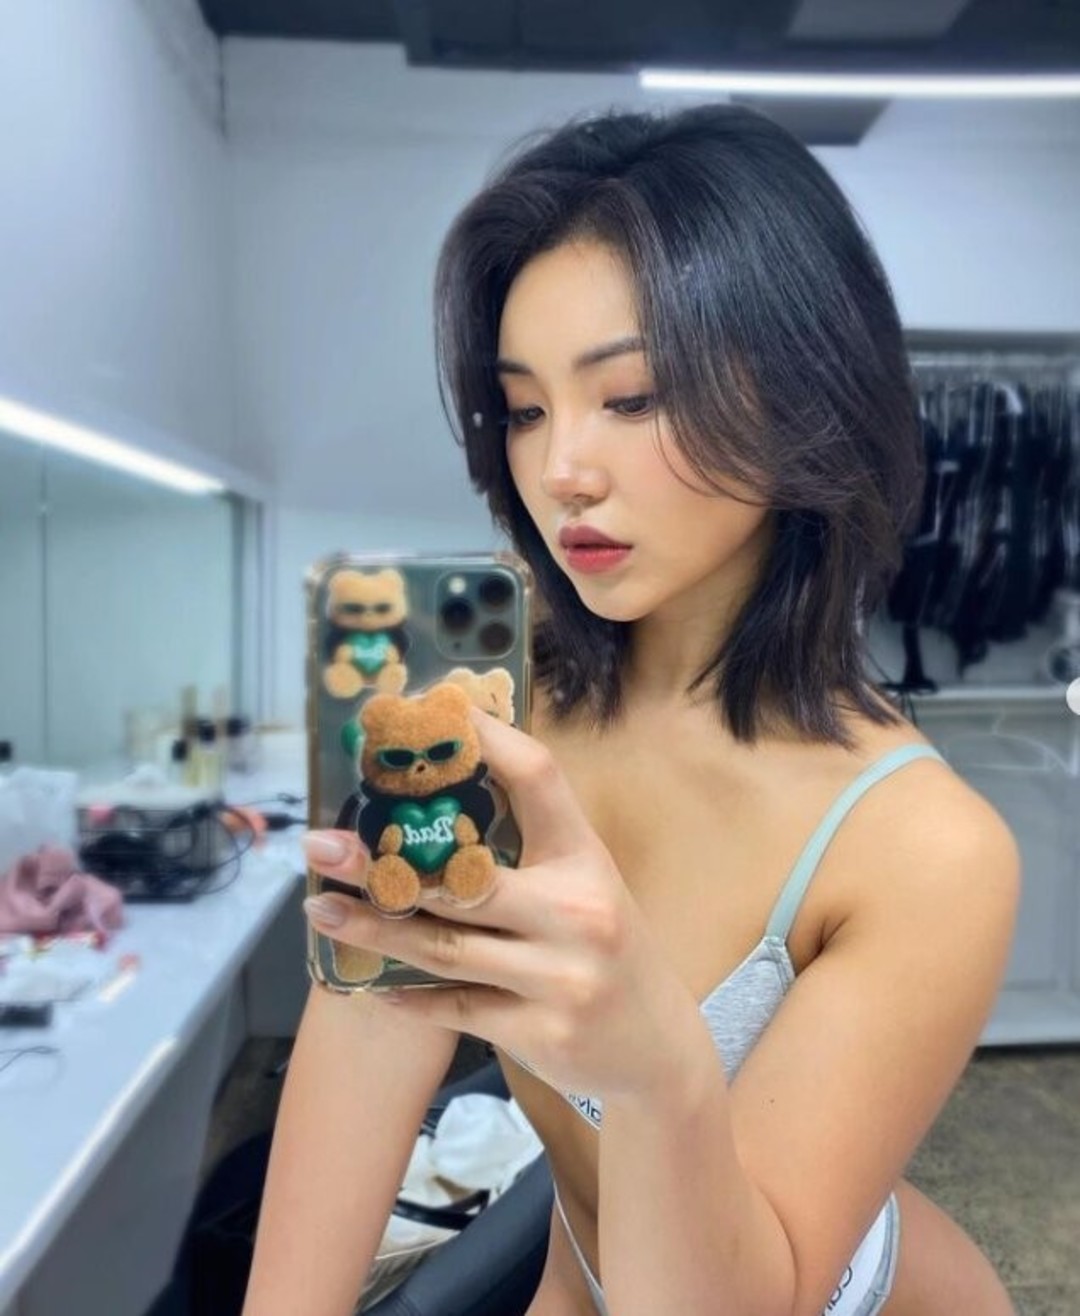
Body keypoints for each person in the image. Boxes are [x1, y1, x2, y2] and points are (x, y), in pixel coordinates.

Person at [242, 104, 1020, 1316]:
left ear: (805, 389)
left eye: (634, 396)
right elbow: (375, 1019)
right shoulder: (483, 689)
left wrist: (657, 1068)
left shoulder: (927, 848)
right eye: (526, 408)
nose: (561, 470)